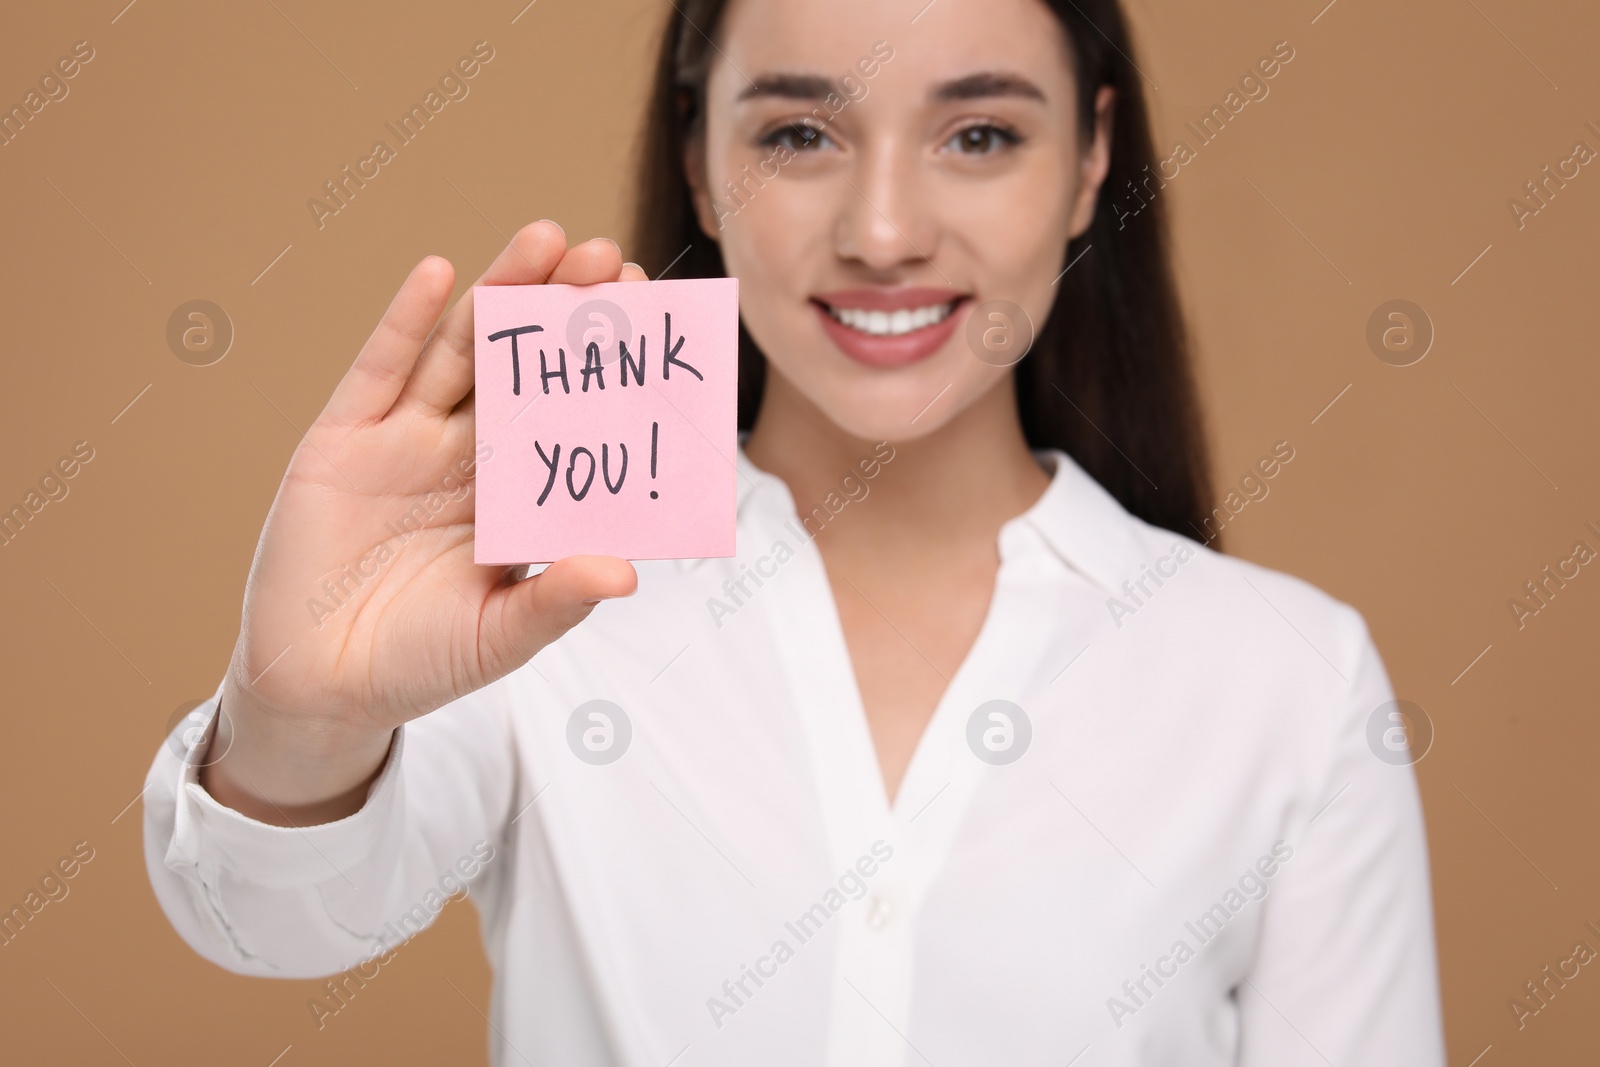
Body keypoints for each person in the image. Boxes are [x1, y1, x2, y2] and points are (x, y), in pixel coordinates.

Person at [143, 0, 1446, 1063]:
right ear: (702, 158)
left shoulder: (1290, 680)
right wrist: (304, 712)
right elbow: (272, 921)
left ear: (1090, 160)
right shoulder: (537, 592)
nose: (884, 233)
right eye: (802, 135)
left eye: (981, 134)